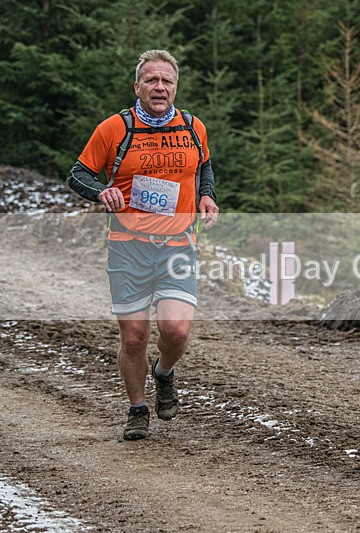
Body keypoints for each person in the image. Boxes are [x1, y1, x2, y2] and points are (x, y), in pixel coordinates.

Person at [66, 49, 219, 440]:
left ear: (175, 87)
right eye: (151, 80)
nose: (159, 87)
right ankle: (137, 409)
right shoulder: (114, 129)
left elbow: (203, 165)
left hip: (177, 245)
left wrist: (206, 196)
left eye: (167, 81)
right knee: (135, 337)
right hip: (128, 246)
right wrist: (102, 192)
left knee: (177, 331)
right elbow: (78, 174)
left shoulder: (192, 126)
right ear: (137, 86)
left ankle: (163, 372)